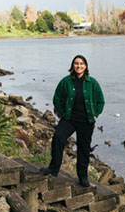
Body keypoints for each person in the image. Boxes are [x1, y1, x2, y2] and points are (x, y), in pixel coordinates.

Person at [40, 55, 105, 187]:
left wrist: (95, 115)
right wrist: (63, 113)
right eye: (76, 63)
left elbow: (101, 101)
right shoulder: (66, 81)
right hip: (69, 119)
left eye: (81, 63)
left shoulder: (92, 83)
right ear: (72, 66)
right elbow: (57, 99)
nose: (79, 66)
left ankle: (83, 177)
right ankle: (53, 169)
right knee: (58, 138)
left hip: (86, 121)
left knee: (83, 148)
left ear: (85, 66)